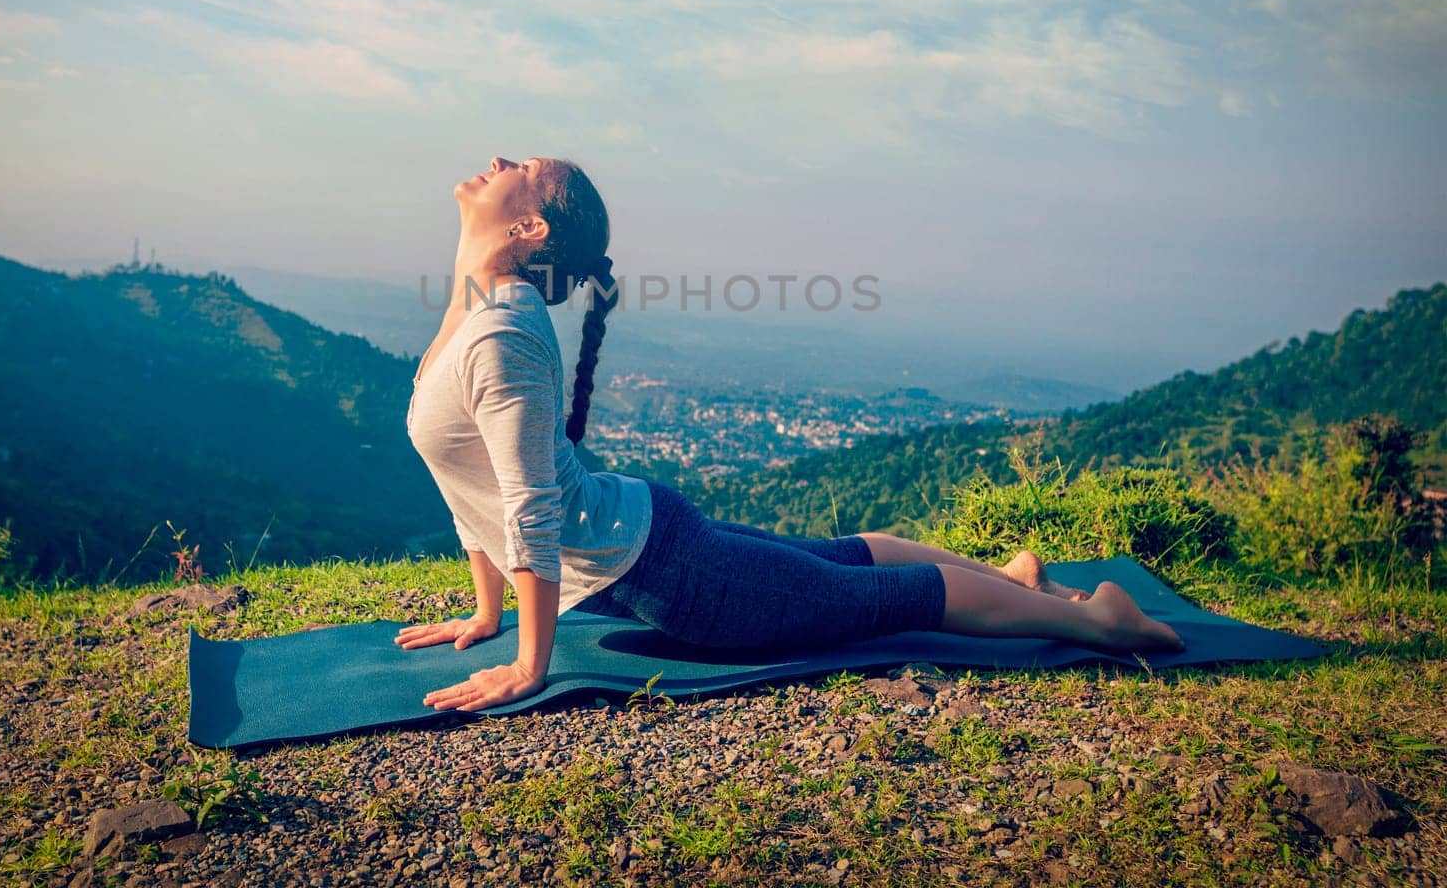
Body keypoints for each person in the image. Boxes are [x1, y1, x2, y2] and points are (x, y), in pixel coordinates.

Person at [396, 155, 1185, 713]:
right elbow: (476, 484)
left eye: (520, 167)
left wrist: (528, 665)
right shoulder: (475, 312)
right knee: (846, 561)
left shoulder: (504, 331)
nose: (496, 158)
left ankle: (1098, 622)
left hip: (672, 577)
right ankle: (1013, 580)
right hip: (648, 537)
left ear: (528, 223)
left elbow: (529, 503)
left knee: (878, 597)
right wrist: (487, 614)